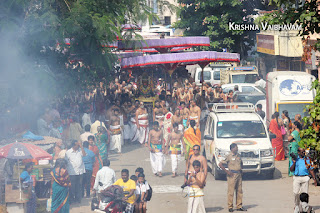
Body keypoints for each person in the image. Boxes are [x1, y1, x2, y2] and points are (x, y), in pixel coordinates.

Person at [219, 143, 246, 212]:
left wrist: (241, 170)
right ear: (232, 148)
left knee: (239, 191)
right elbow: (220, 164)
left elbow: (241, 163)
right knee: (231, 191)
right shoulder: (229, 156)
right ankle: (230, 207)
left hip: (239, 175)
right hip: (232, 175)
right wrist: (227, 172)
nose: (237, 148)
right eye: (236, 147)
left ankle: (239, 206)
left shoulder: (239, 155)